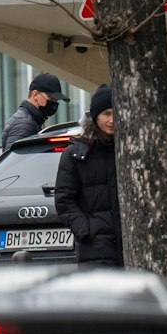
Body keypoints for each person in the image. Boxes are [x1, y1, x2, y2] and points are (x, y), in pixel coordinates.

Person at [55, 84, 121, 267]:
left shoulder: (129, 150)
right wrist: (85, 230)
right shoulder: (76, 154)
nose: (112, 120)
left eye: (116, 113)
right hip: (95, 248)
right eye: (106, 113)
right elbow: (64, 200)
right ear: (95, 116)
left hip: (128, 244)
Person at [2, 72, 67, 148]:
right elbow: (16, 158)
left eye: (56, 100)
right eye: (51, 98)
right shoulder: (24, 124)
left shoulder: (30, 120)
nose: (55, 103)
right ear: (35, 95)